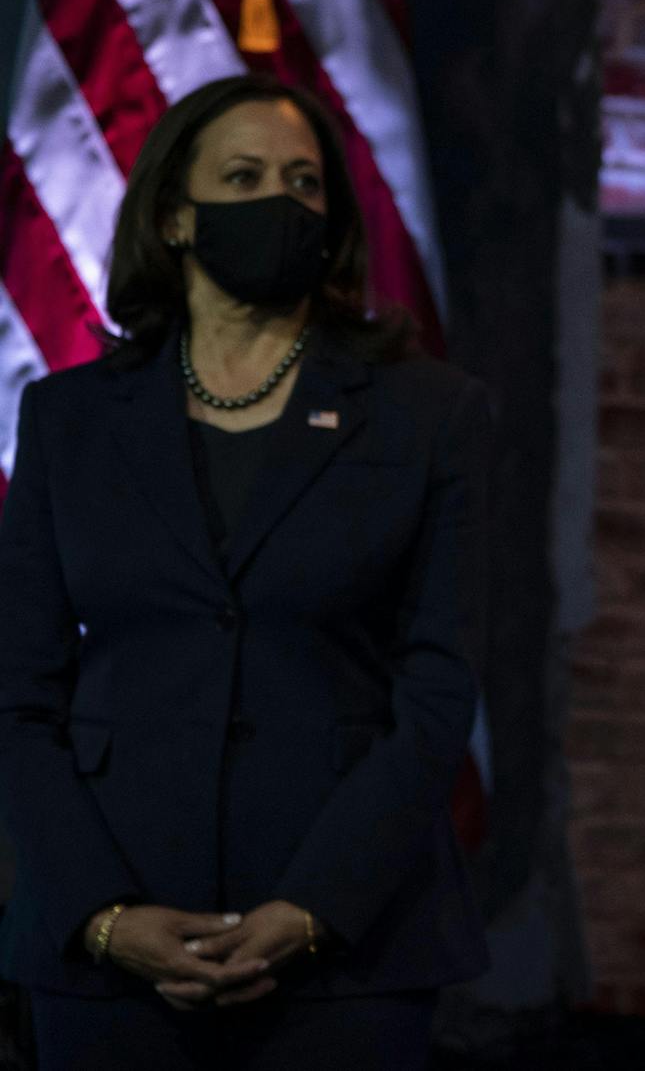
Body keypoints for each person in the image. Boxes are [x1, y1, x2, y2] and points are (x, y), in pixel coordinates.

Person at [0, 73, 489, 1067]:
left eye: (306, 181)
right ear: (177, 215)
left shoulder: (431, 414)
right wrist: (101, 914)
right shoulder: (70, 420)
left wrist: (313, 908)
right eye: (246, 174)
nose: (283, 200)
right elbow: (18, 695)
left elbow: (436, 693)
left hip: (346, 954)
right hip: (109, 953)